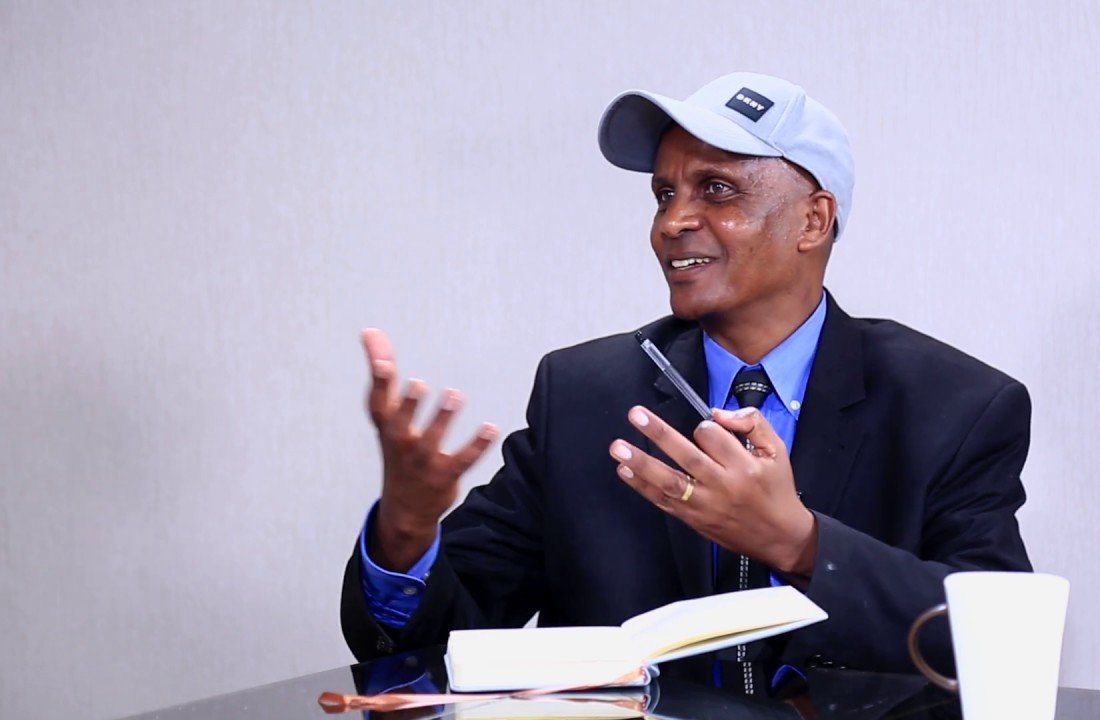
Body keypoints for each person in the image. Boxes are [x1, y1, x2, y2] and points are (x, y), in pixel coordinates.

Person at [339, 72, 1032, 693]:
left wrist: (799, 545)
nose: (672, 222)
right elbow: (434, 644)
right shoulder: (583, 395)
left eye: (717, 189)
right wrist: (406, 531)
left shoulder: (954, 407)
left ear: (813, 220)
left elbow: (1001, 641)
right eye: (664, 194)